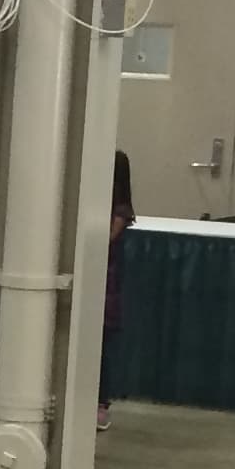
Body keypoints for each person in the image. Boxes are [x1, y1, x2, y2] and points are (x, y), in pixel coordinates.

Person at [101, 149, 134, 430]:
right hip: (100, 282)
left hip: (106, 285)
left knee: (102, 345)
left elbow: (106, 238)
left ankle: (101, 404)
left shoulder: (120, 212)